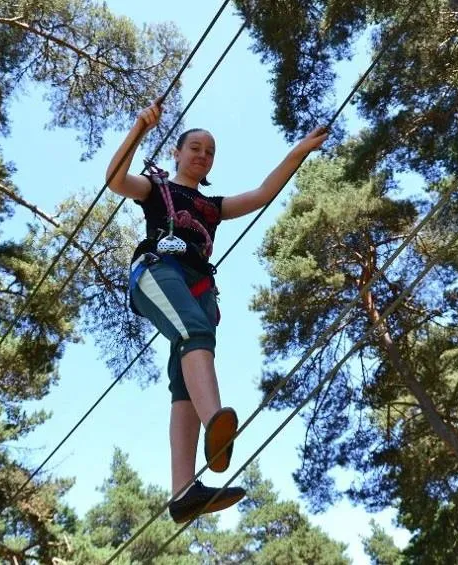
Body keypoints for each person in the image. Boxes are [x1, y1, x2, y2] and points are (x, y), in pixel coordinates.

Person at [105, 98, 328, 523]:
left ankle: (184, 493)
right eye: (195, 148)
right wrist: (139, 130)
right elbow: (115, 180)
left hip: (199, 285)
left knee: (184, 380)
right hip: (159, 270)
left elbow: (263, 194)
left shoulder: (215, 206)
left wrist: (297, 152)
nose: (202, 156)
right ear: (177, 153)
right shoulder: (158, 190)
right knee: (194, 334)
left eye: (210, 152)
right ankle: (217, 425)